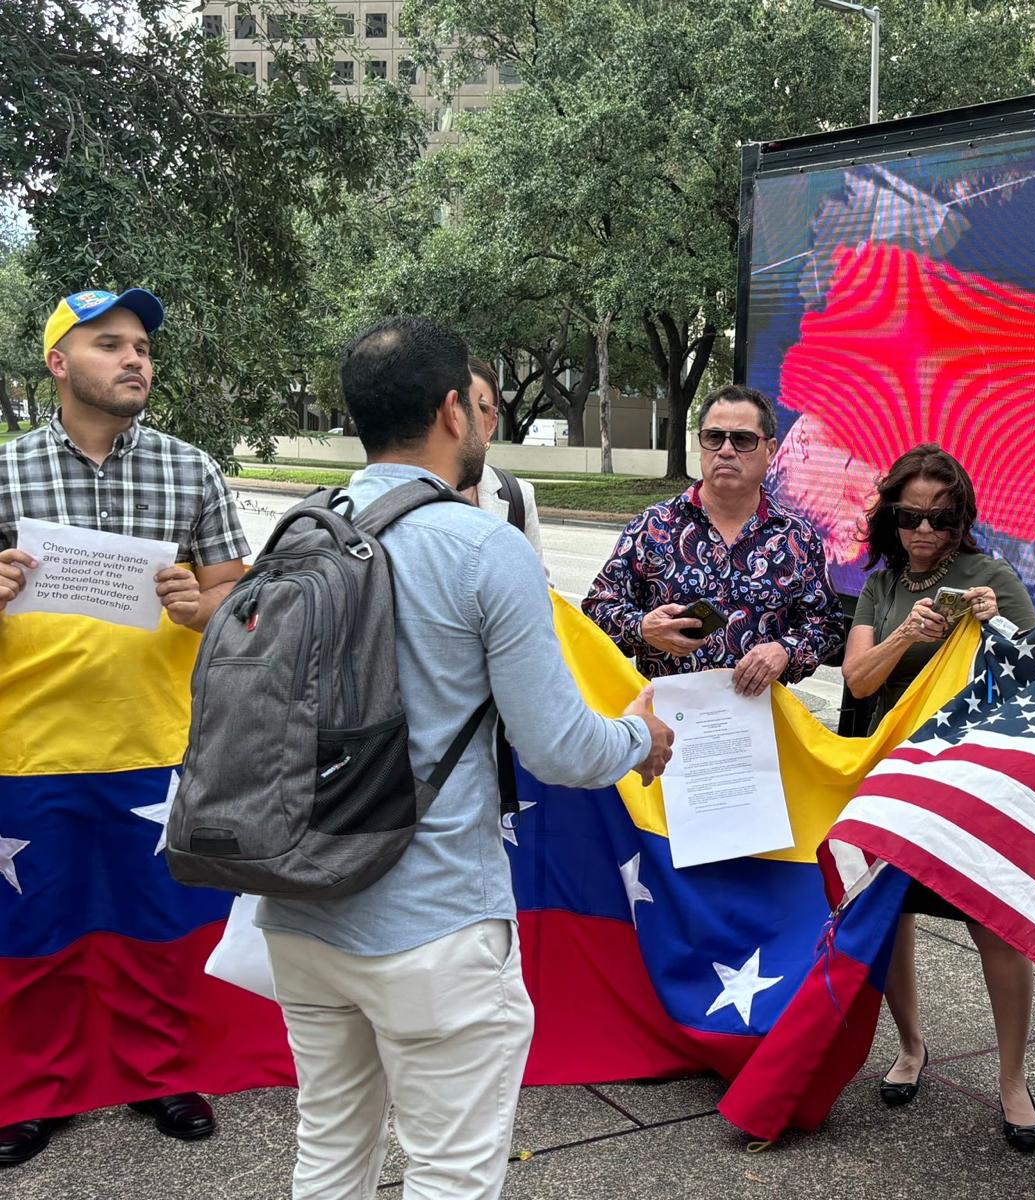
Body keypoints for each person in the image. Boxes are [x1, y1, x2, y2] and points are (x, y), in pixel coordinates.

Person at [253, 316, 673, 1200]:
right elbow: (560, 748)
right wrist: (640, 739)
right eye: (478, 411)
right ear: (454, 411)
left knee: (329, 1151)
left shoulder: (300, 529)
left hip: (297, 902)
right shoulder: (482, 546)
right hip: (432, 918)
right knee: (451, 1172)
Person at [0, 287, 249, 1165]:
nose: (135, 359)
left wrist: (202, 604)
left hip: (156, 744)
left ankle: (160, 1075)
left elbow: (240, 598)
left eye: (142, 345)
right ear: (59, 364)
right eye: (110, 345)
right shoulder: (4, 470)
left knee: (159, 924)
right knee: (33, 933)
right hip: (28, 747)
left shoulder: (192, 470)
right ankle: (33, 1090)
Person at [840, 444, 1035, 1151]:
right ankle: (911, 1047)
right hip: (897, 779)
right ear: (890, 518)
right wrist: (907, 632)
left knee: (996, 927)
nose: (924, 532)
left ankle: (1014, 1081)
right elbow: (860, 681)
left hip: (971, 784)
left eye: (942, 518)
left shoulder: (991, 577)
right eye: (910, 516)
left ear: (963, 519)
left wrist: (992, 621)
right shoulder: (882, 584)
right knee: (891, 918)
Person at [583, 383, 844, 696]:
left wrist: (786, 651)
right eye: (714, 437)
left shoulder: (797, 538)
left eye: (743, 439)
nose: (726, 450)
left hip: (759, 726)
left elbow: (827, 625)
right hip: (668, 729)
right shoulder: (654, 527)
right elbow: (596, 610)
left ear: (770, 449)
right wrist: (642, 628)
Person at [462, 356, 546, 563]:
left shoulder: (517, 496)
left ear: (492, 424)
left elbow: (537, 586)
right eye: (460, 403)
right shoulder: (402, 492)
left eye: (481, 407)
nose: (468, 416)